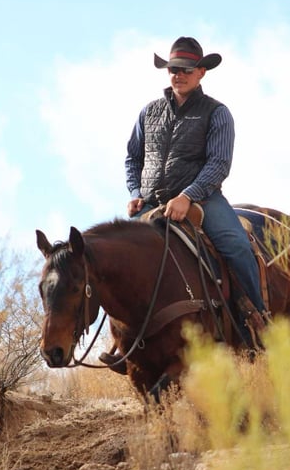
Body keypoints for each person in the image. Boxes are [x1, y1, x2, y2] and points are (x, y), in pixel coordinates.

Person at [104, 36, 266, 363]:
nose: (178, 75)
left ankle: (255, 323)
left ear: (201, 72)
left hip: (203, 200)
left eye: (186, 70)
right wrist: (135, 194)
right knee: (118, 258)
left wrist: (187, 196)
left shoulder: (217, 113)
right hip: (152, 203)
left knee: (237, 246)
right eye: (173, 69)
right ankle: (123, 341)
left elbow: (218, 164)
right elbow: (133, 158)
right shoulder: (148, 112)